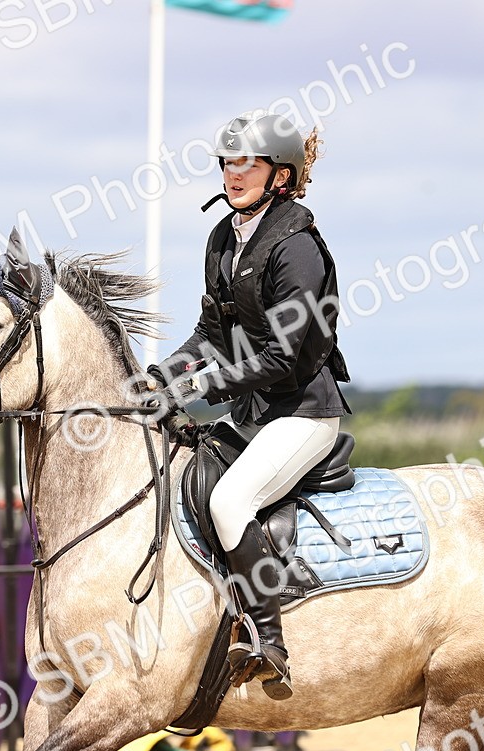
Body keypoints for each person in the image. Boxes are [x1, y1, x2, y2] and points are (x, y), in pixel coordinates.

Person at [147, 113, 351, 701]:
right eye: (227, 163)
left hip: (304, 412)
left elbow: (285, 358)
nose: (233, 174)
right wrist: (161, 376)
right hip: (253, 415)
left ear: (281, 175)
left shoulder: (298, 249)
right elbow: (211, 331)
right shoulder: (224, 238)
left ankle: (269, 642)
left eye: (248, 164)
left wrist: (205, 385)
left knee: (230, 499)